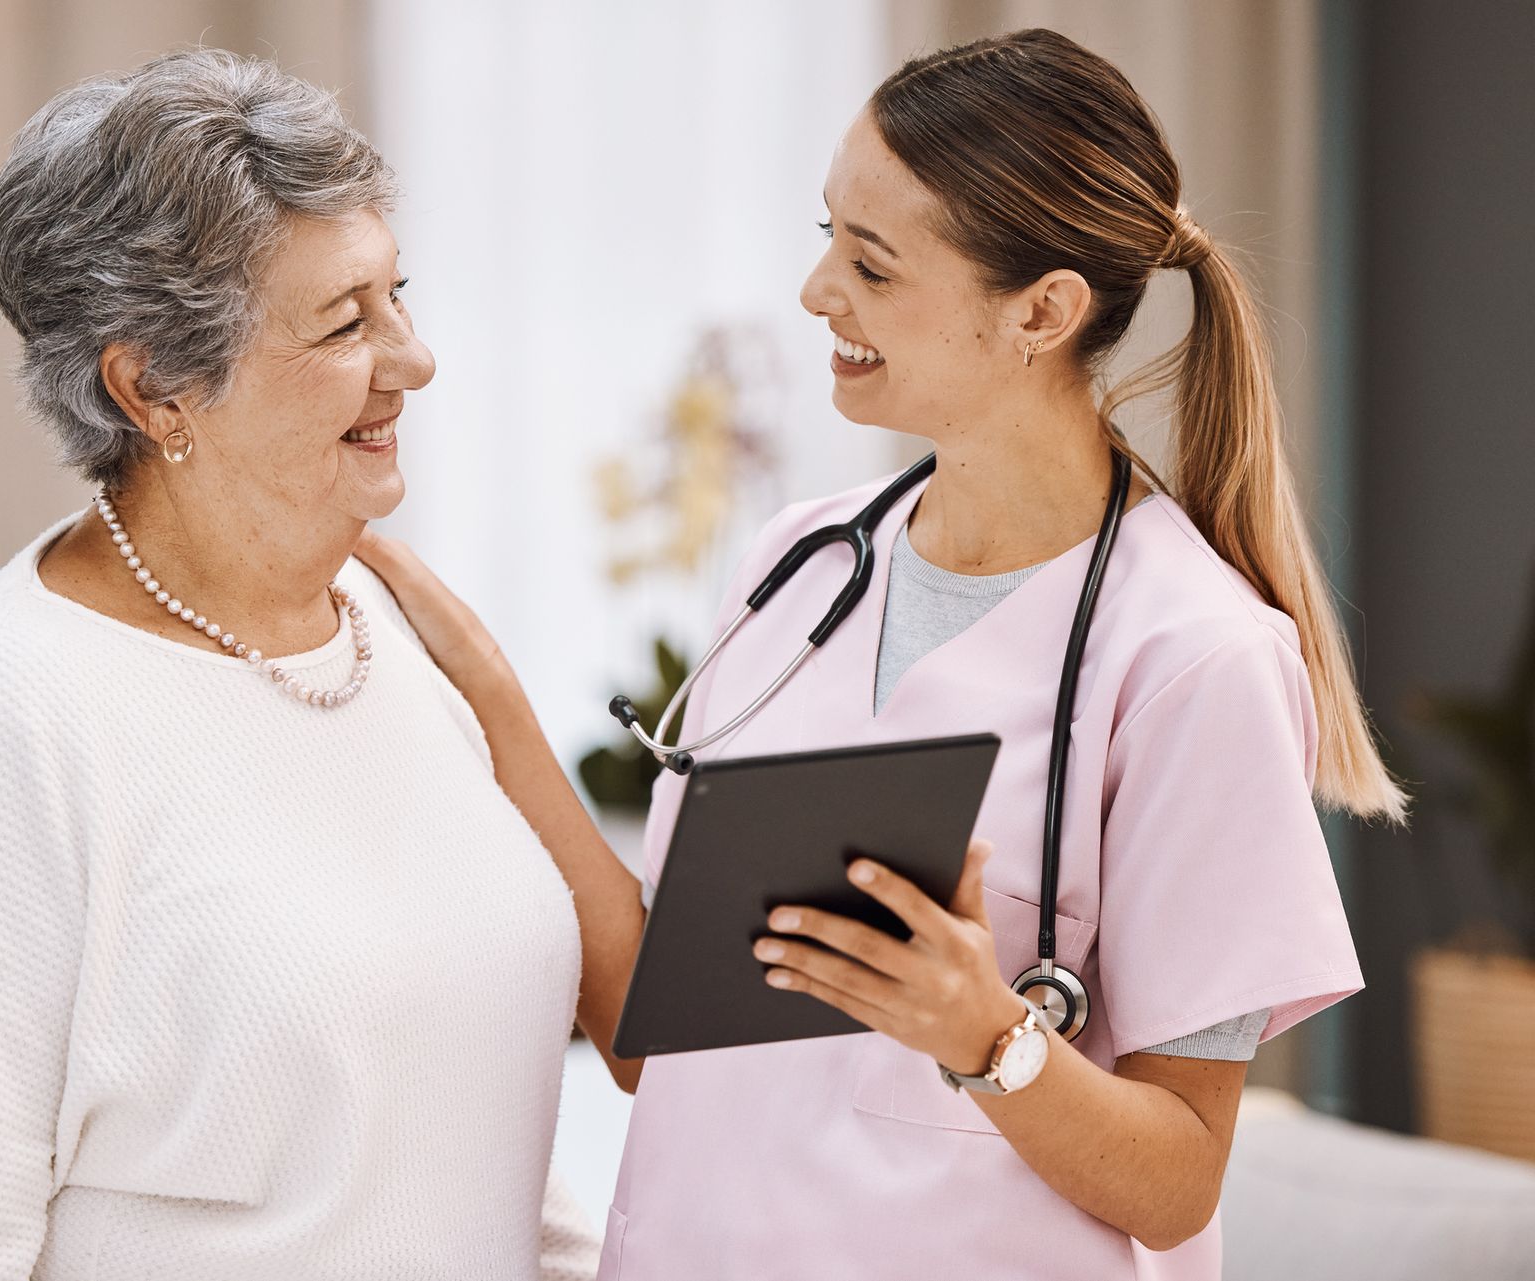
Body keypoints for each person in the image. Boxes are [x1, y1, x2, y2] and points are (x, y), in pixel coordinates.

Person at [356, 27, 1399, 1280]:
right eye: (824, 238)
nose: (817, 295)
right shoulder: (801, 571)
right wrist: (488, 693)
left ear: (1044, 312)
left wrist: (983, 1033)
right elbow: (653, 1043)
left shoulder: (1191, 657)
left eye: (873, 264)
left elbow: (1176, 1184)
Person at [0, 50, 596, 1280]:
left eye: (401, 295)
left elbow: (458, 1125)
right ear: (154, 387)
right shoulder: (7, 708)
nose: (415, 359)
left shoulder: (387, 629)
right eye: (347, 322)